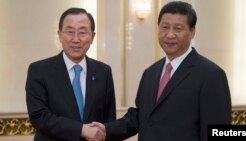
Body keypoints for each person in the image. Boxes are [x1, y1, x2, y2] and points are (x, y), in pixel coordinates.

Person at [90, 1, 232, 141]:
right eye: (164, 27)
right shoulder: (150, 73)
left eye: (178, 28)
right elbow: (140, 117)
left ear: (192, 31)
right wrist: (106, 130)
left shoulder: (211, 75)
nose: (170, 35)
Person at [25, 7, 116, 141]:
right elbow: (39, 116)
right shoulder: (39, 70)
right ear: (60, 35)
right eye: (70, 32)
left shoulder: (103, 71)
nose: (76, 39)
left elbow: (109, 120)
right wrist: (81, 130)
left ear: (92, 36)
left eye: (82, 32)